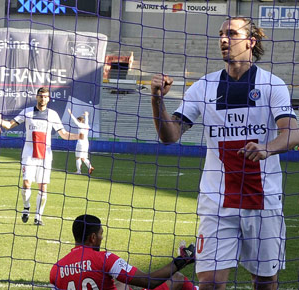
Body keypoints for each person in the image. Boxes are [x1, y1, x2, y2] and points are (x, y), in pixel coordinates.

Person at [150, 17, 299, 290]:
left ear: (250, 42)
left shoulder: (272, 85)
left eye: (231, 33)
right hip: (217, 201)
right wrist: (157, 99)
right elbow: (169, 136)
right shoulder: (203, 87)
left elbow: (292, 132)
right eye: (221, 34)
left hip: (263, 200)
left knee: (265, 283)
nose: (223, 39)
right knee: (210, 283)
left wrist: (267, 148)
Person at [0, 87, 79, 226]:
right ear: (37, 97)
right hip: (28, 155)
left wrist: (78, 136)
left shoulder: (52, 114)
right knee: (26, 183)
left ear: (48, 99)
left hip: (45, 156)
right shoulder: (27, 112)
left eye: (45, 96)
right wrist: (0, 121)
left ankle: (38, 216)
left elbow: (63, 134)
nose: (43, 99)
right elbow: (9, 125)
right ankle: (26, 207)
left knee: (43, 186)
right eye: (41, 96)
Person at [50, 214, 196, 290]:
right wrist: (182, 260)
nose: (102, 237)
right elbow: (148, 281)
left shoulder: (56, 269)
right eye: (101, 234)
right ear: (93, 237)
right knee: (177, 278)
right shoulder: (104, 258)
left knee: (121, 284)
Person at [67, 109, 94, 175]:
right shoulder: (86, 125)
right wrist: (87, 115)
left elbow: (75, 121)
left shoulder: (80, 125)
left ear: (79, 120)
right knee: (83, 157)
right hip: (86, 143)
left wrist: (70, 114)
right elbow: (87, 121)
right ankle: (90, 167)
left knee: (78, 157)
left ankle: (78, 171)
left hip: (81, 143)